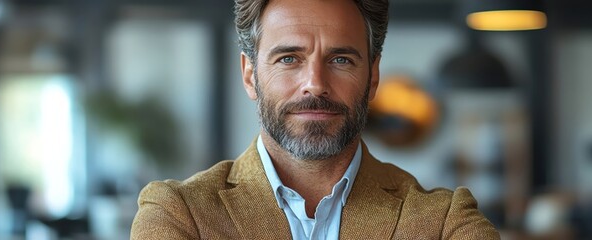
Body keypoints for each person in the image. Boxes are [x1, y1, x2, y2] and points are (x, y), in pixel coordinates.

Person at [130, 0, 499, 238]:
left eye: (341, 60)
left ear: (372, 77)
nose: (315, 85)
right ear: (249, 76)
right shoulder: (178, 215)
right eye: (289, 58)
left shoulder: (445, 222)